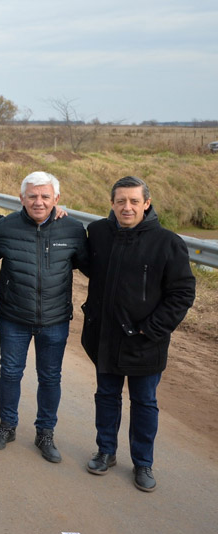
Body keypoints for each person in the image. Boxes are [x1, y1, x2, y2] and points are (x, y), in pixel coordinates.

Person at [81, 176, 195, 492]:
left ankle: (143, 463)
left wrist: (151, 328)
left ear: (146, 203)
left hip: (146, 341)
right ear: (112, 203)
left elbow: (183, 292)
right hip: (105, 337)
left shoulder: (167, 242)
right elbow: (85, 264)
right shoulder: (99, 233)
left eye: (134, 201)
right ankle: (106, 451)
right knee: (106, 396)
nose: (127, 207)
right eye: (121, 201)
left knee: (144, 402)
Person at [0, 171, 87, 462]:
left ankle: (45, 433)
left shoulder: (73, 229)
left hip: (54, 320)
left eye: (45, 196)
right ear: (21, 198)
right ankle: (7, 426)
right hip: (13, 317)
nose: (39, 202)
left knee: (50, 378)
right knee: (10, 373)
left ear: (57, 198)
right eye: (32, 196)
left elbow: (92, 267)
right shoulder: (4, 227)